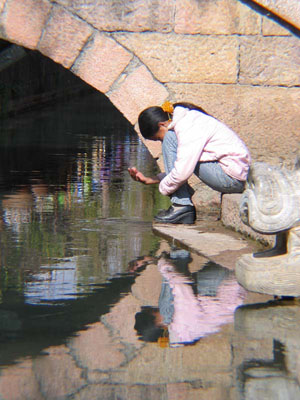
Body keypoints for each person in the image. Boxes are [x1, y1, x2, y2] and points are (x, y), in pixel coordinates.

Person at [128, 101, 251, 224]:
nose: (162, 143)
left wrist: (164, 189)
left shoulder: (186, 126)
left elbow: (182, 172)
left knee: (170, 139)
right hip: (231, 176)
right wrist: (151, 179)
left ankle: (181, 205)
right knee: (179, 155)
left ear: (162, 124)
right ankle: (182, 206)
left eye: (159, 138)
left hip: (231, 180)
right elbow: (182, 168)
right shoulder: (188, 120)